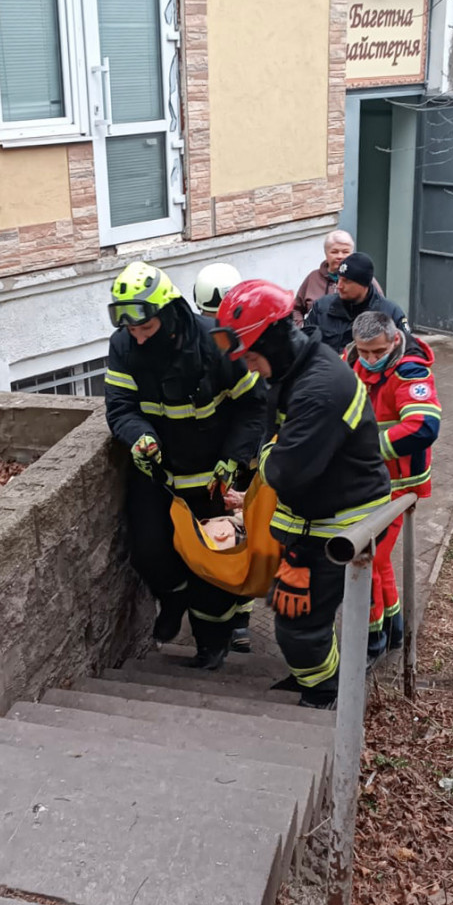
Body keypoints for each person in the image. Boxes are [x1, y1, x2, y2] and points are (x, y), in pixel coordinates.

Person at [213, 280, 391, 708]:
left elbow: (283, 472)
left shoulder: (319, 389)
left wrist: (273, 449)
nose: (252, 368)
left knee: (297, 624)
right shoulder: (297, 371)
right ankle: (316, 677)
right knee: (297, 616)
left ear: (273, 340)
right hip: (315, 520)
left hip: (340, 528)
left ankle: (328, 694)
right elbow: (278, 447)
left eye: (253, 357)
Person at [104, 261, 268, 669]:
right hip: (158, 475)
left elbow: (253, 406)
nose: (138, 339)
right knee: (148, 551)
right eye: (131, 330)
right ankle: (173, 599)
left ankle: (212, 646)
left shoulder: (218, 343)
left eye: (145, 328)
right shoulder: (123, 346)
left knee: (213, 567)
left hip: (213, 476)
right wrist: (137, 435)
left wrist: (233, 459)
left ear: (169, 311)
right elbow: (120, 406)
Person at [346, 311, 441, 660]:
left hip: (398, 485)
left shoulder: (410, 371)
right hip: (368, 481)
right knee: (381, 560)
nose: (370, 359)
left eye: (377, 352)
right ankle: (393, 629)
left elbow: (423, 426)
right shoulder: (352, 360)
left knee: (366, 560)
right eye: (364, 351)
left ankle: (370, 641)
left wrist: (367, 448)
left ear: (394, 340)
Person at [193, 261, 255, 652]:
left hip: (245, 454)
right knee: (224, 534)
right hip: (219, 457)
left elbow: (257, 404)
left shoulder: (252, 340)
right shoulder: (201, 344)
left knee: (245, 532)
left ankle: (242, 616)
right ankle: (226, 616)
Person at [303, 251, 409, 353]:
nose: (339, 286)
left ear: (364, 285)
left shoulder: (391, 313)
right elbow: (305, 345)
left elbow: (409, 349)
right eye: (339, 279)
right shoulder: (321, 307)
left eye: (347, 281)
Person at [292, 230, 383, 326]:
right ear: (326, 254)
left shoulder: (364, 280)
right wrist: (302, 328)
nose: (340, 256)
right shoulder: (313, 278)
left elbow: (381, 308)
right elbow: (295, 309)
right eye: (334, 252)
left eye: (345, 252)